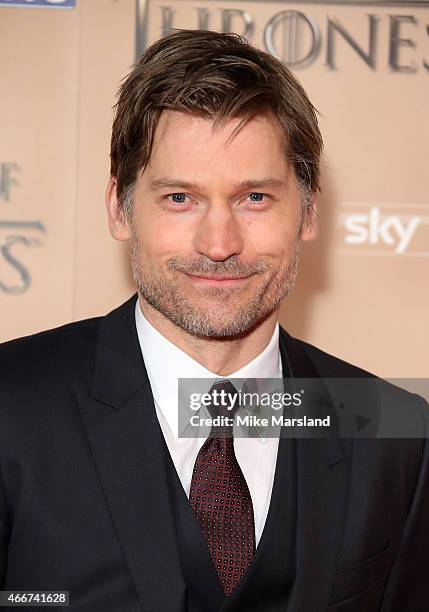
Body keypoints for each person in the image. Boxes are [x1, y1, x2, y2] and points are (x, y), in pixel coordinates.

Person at [0, 29, 428, 612]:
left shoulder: (397, 435)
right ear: (119, 209)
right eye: (180, 198)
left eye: (255, 197)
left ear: (307, 212)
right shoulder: (11, 406)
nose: (219, 243)